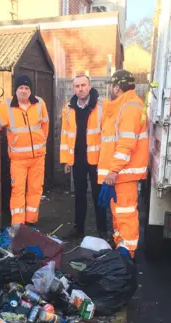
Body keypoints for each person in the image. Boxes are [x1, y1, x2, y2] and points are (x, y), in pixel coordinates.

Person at [0, 75, 49, 227]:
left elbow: (45, 124)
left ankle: (31, 221)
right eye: (21, 88)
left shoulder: (40, 103)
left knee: (35, 189)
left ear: (30, 90)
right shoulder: (6, 105)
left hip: (38, 157)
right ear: (16, 90)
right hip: (18, 159)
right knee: (18, 191)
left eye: (27, 88)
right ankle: (18, 224)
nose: (24, 91)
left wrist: (42, 142)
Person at [97, 69, 149, 259]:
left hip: (123, 174)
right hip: (120, 175)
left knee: (125, 214)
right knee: (119, 214)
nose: (110, 90)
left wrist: (113, 171)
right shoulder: (125, 106)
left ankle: (127, 255)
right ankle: (121, 249)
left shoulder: (130, 108)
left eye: (112, 86)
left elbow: (126, 144)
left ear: (117, 88)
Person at [60, 74, 110, 239]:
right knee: (79, 195)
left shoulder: (103, 106)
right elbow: (65, 136)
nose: (80, 89)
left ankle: (102, 230)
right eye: (77, 86)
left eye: (83, 85)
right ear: (73, 88)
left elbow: (109, 134)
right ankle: (79, 228)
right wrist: (66, 160)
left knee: (98, 196)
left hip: (97, 159)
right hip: (78, 158)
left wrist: (108, 161)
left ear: (89, 86)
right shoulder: (68, 108)